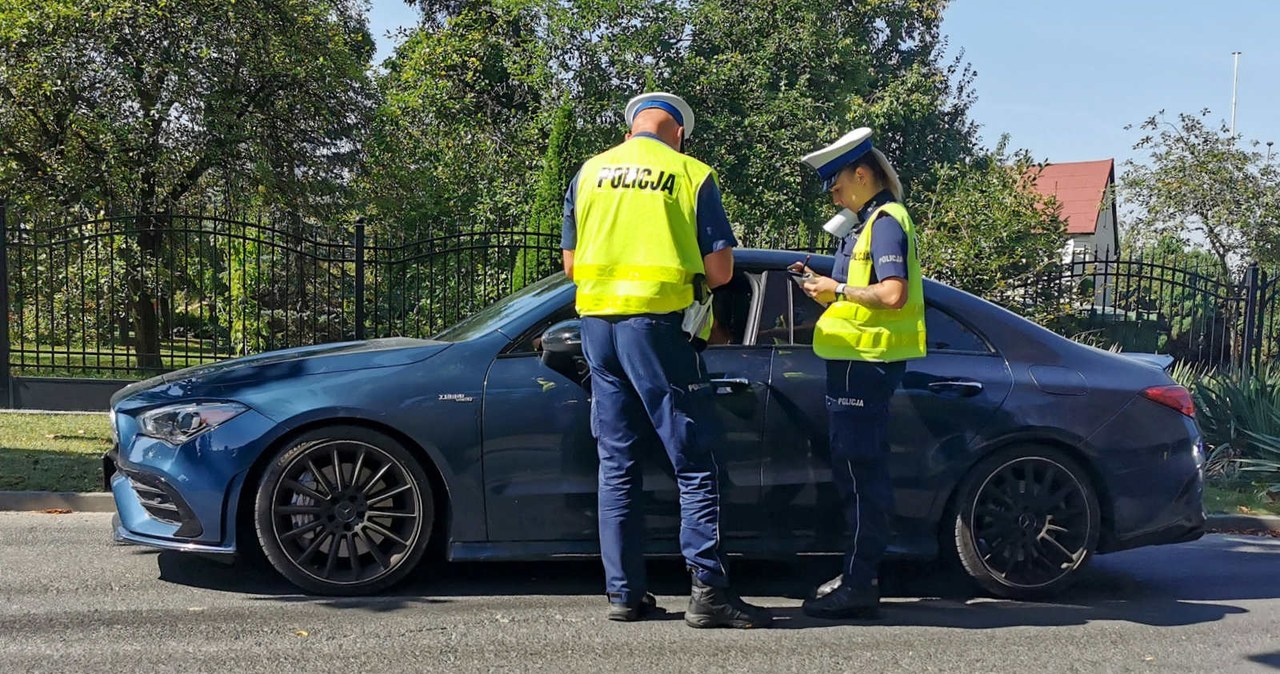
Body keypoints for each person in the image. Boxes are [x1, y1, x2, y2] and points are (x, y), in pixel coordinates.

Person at [561, 92, 772, 629]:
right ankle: (708, 593)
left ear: (632, 126)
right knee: (693, 460)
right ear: (678, 131)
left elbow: (570, 265)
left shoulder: (589, 172)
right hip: (656, 328)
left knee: (617, 463)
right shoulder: (690, 173)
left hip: (598, 329)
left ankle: (624, 594)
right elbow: (722, 271)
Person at [789, 127, 927, 619]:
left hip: (866, 365)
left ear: (862, 174)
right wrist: (826, 289)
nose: (833, 194)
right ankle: (854, 572)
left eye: (836, 183)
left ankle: (861, 582)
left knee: (860, 475)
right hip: (856, 363)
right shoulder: (866, 222)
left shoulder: (886, 221)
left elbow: (893, 295)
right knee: (856, 474)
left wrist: (838, 290)